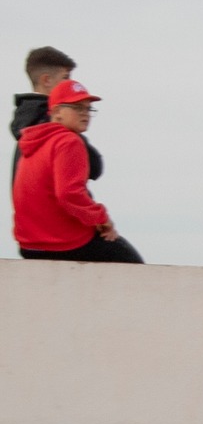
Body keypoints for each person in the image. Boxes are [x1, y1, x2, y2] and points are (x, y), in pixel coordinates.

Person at [12, 79, 143, 263]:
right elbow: (68, 194)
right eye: (77, 107)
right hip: (63, 243)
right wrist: (102, 218)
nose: (85, 114)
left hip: (30, 245)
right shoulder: (69, 141)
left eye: (88, 108)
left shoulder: (32, 142)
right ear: (57, 112)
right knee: (132, 264)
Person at [11, 46, 101, 183]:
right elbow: (94, 167)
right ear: (46, 80)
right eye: (66, 77)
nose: (71, 84)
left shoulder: (28, 125)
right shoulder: (53, 123)